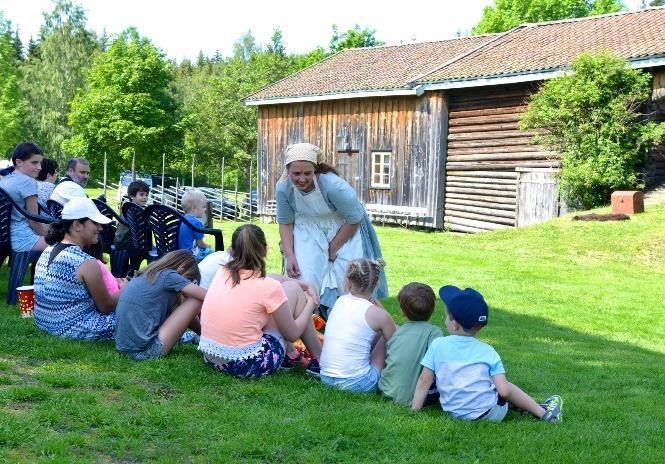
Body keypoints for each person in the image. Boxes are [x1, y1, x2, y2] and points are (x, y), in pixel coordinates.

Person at [411, 285, 563, 423]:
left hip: (453, 412)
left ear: (455, 324)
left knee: (492, 387)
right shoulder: (488, 351)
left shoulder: (438, 345)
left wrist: (415, 411)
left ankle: (527, 407)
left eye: (446, 316)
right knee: (506, 387)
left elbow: (424, 381)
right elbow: (504, 391)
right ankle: (543, 413)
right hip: (490, 414)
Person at [199, 224, 323, 379]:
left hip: (211, 356)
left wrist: (305, 284)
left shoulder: (222, 272)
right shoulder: (268, 287)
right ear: (264, 250)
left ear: (232, 250)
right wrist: (311, 301)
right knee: (292, 289)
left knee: (285, 293)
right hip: (247, 364)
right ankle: (319, 360)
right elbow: (292, 334)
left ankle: (292, 355)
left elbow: (270, 277)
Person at [275, 143, 387, 309]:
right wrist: (290, 255)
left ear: (316, 169)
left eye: (307, 173)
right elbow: (285, 222)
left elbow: (355, 218)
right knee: (305, 273)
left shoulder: (334, 186)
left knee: (349, 275)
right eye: (296, 173)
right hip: (307, 228)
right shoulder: (283, 188)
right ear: (287, 171)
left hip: (343, 227)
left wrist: (333, 248)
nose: (302, 179)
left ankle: (354, 316)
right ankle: (307, 319)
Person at [33, 197, 118, 341]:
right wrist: (127, 290)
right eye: (95, 223)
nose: (100, 228)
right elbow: (106, 306)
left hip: (45, 323)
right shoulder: (86, 263)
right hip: (74, 329)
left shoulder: (47, 251)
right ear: (77, 225)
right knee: (138, 313)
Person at [319, 258, 396, 393]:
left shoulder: (340, 301)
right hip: (358, 383)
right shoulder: (378, 314)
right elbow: (396, 344)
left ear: (348, 281)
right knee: (387, 335)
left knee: (370, 331)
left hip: (325, 377)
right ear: (376, 283)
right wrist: (387, 316)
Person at [115, 250, 206, 361]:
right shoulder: (169, 276)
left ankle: (205, 338)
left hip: (123, 348)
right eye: (189, 280)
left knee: (183, 300)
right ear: (182, 268)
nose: (188, 284)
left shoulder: (148, 273)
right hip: (146, 351)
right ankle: (209, 339)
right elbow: (208, 297)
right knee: (195, 299)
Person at [379, 282, 443, 406]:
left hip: (386, 391)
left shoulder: (397, 331)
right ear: (433, 309)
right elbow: (438, 363)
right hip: (415, 396)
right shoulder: (433, 332)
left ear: (402, 311)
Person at [0, 142, 48, 252]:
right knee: (65, 244)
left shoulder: (6, 179)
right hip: (22, 239)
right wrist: (48, 236)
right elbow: (34, 221)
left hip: (4, 235)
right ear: (19, 162)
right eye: (34, 163)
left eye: (40, 163)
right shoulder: (28, 182)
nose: (39, 167)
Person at [178, 189, 213, 261]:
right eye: (203, 207)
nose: (205, 209)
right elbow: (200, 244)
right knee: (212, 253)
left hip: (177, 254)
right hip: (190, 256)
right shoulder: (196, 223)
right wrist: (209, 246)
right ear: (194, 207)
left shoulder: (180, 220)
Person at [114, 180, 150, 251]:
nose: (145, 197)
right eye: (141, 194)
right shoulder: (135, 211)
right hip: (126, 243)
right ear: (132, 196)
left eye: (146, 195)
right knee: (152, 248)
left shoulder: (127, 208)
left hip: (120, 242)